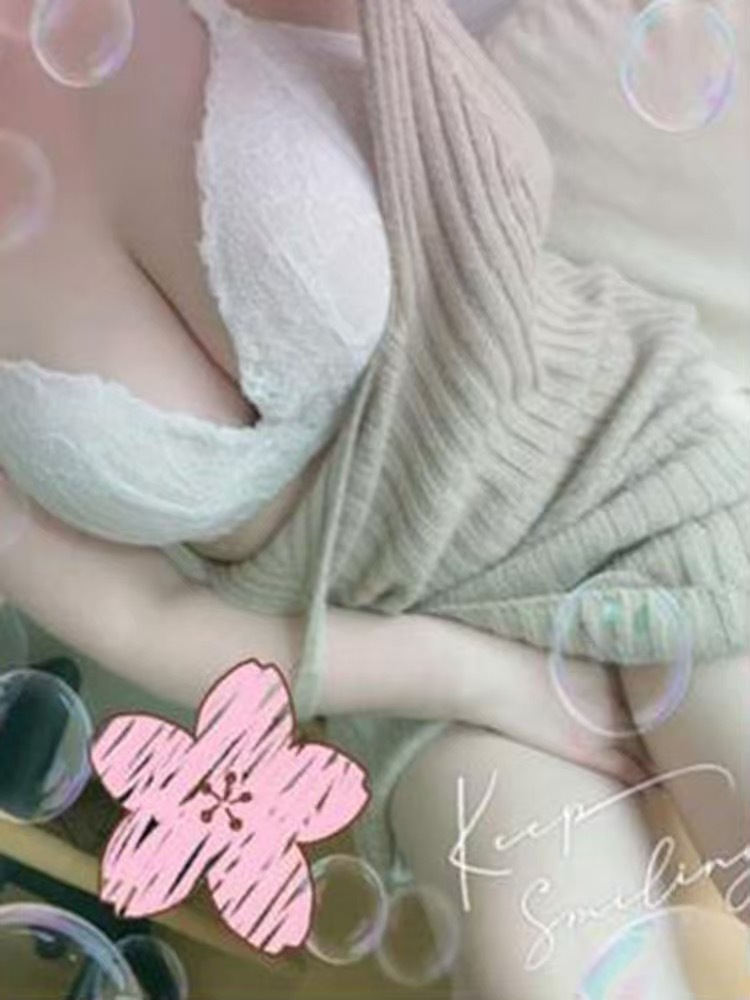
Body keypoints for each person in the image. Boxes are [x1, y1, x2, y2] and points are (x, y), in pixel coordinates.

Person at [1, 1, 748, 995]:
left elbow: (508, 190)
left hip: (618, 476)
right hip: (401, 666)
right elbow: (144, 615)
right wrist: (482, 681)